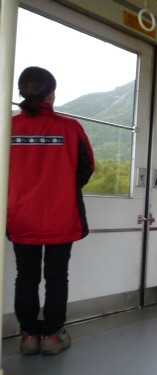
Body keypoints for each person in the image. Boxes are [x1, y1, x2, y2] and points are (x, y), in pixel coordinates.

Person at [9, 67, 95, 355]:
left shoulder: (8, 127)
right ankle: (53, 338)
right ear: (51, 95)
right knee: (57, 277)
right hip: (61, 216)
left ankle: (29, 337)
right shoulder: (70, 128)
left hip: (20, 217)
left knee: (26, 276)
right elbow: (87, 168)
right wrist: (60, 186)